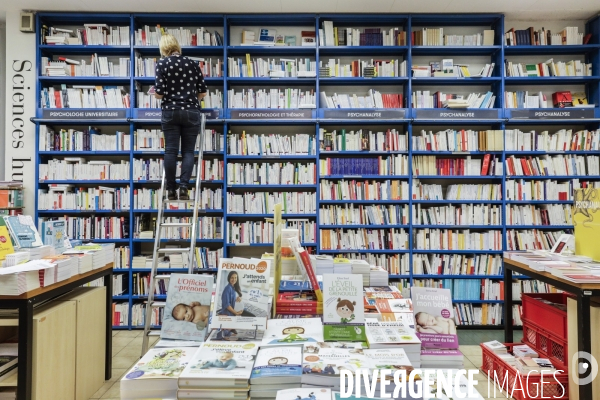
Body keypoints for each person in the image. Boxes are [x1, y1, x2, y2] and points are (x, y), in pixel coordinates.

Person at [154, 34, 208, 200]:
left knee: (170, 151)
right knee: (188, 151)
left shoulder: (162, 63)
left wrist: (159, 95)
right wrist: (191, 100)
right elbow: (203, 91)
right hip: (191, 112)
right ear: (177, 47)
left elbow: (159, 93)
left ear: (164, 48)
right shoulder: (192, 64)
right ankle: (184, 187)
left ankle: (171, 190)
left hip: (170, 111)